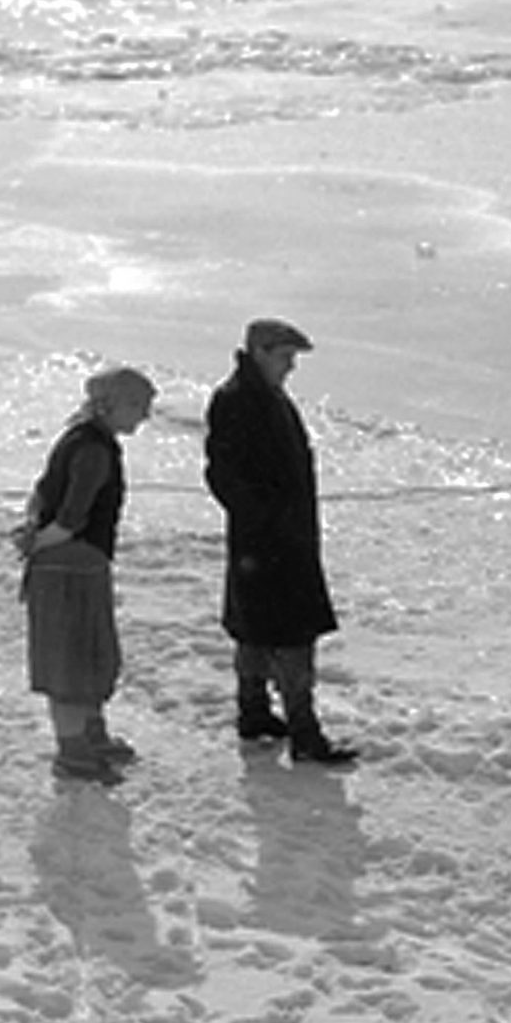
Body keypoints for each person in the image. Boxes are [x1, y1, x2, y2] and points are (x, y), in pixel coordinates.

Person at [204, 318, 356, 764]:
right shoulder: (238, 399)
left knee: (256, 629)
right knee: (291, 635)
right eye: (285, 357)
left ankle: (254, 713)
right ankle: (304, 733)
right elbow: (222, 473)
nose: (291, 366)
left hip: (272, 538)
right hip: (271, 541)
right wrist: (266, 517)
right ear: (260, 352)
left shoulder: (261, 394)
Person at [15, 367, 156, 786]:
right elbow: (72, 516)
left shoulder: (83, 439)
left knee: (88, 654)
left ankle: (91, 734)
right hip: (69, 568)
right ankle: (73, 750)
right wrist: (39, 542)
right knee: (72, 661)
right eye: (138, 405)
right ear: (111, 404)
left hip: (76, 565)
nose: (145, 415)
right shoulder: (92, 449)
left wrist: (34, 533)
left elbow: (41, 493)